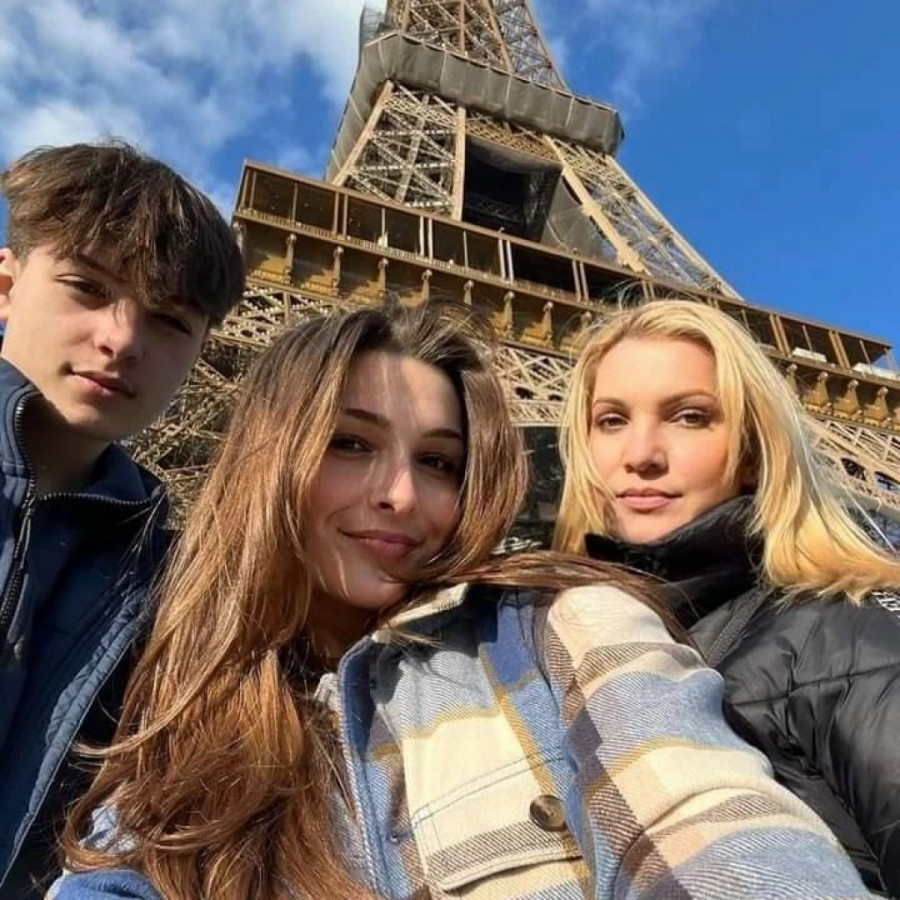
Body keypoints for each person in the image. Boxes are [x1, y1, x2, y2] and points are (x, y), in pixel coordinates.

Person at [51, 304, 875, 900]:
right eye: (350, 443)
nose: (401, 495)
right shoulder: (184, 726)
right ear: (271, 456)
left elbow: (704, 817)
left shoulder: (561, 623)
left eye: (440, 462)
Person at [555, 298, 900, 895]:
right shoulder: (559, 651)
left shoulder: (845, 639)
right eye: (611, 420)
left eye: (689, 417)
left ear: (750, 453)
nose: (641, 455)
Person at [0, 141, 245, 896]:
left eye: (169, 320)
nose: (122, 340)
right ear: (5, 286)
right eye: (86, 286)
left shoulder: (173, 586)